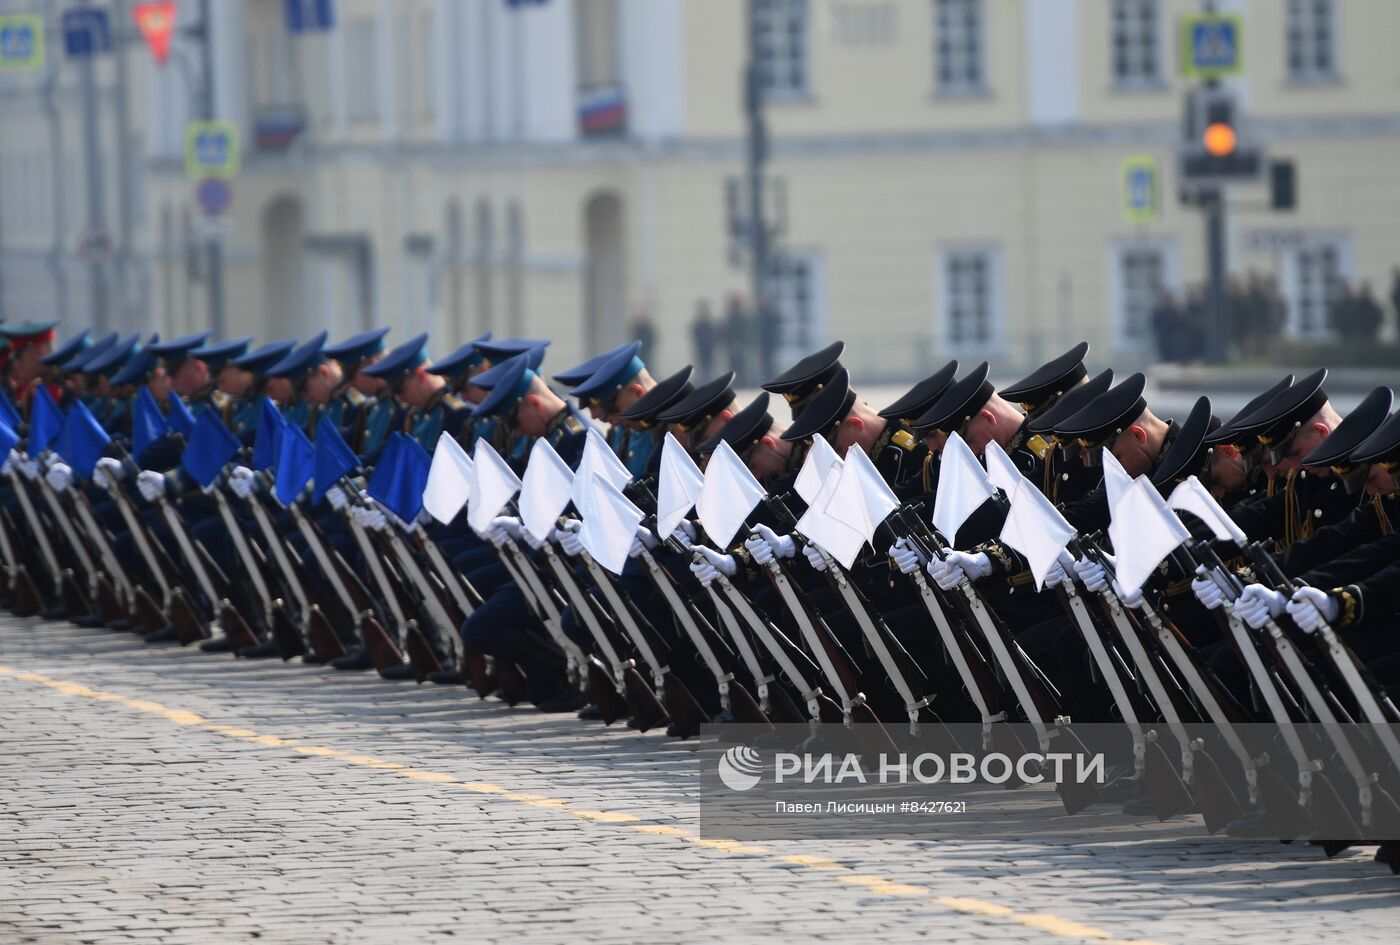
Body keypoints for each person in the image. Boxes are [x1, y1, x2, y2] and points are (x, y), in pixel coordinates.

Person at [690, 300, 717, 378]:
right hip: (701, 349)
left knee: (710, 366)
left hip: (710, 349)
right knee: (702, 367)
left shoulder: (710, 325)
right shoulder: (698, 325)